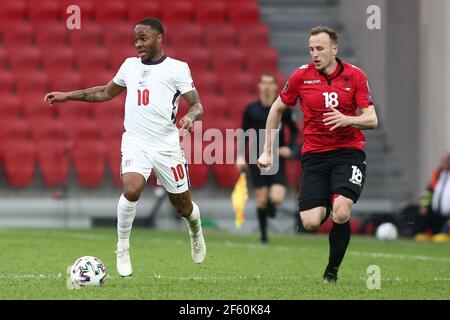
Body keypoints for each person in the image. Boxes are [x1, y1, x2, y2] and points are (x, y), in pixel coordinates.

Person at [44, 18, 206, 277]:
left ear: (159, 37)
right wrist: (67, 95)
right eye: (136, 40)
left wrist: (190, 118)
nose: (138, 44)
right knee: (131, 190)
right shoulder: (129, 66)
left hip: (166, 145)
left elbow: (197, 105)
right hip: (135, 141)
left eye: (143, 38)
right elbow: (105, 92)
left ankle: (196, 231)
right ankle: (122, 247)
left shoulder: (177, 68)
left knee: (183, 206)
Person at [257, 26, 378, 283]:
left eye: (320, 48)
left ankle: (331, 271)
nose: (314, 54)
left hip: (348, 153)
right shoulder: (301, 76)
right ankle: (325, 205)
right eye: (311, 49)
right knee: (310, 223)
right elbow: (277, 109)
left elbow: (371, 119)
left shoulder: (355, 76)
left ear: (335, 49)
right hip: (315, 157)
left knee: (342, 211)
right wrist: (268, 151)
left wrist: (347, 119)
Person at [237, 73, 299, 244]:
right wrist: (241, 156)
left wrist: (290, 148)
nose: (266, 86)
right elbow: (243, 134)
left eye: (269, 83)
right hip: (256, 158)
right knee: (262, 199)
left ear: (275, 87)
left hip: (276, 158)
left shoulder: (282, 108)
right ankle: (264, 236)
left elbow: (294, 131)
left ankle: (272, 209)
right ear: (259, 86)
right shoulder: (251, 109)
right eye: (263, 83)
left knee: (277, 197)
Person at [415, 152, 450, 241]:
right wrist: (424, 205)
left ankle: (445, 233)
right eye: (443, 161)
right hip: (436, 213)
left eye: (447, 160)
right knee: (421, 215)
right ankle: (426, 233)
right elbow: (428, 192)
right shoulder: (437, 174)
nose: (445, 163)